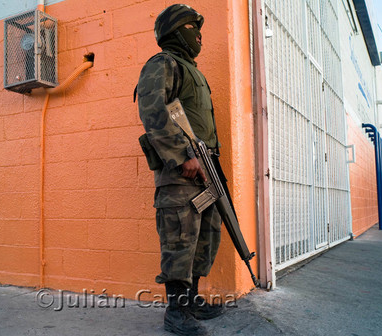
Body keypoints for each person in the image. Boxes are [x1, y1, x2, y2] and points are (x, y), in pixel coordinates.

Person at [136, 4, 225, 336]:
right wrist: (182, 155)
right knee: (180, 238)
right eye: (192, 26)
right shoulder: (163, 64)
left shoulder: (194, 71)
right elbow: (153, 110)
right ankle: (176, 313)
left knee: (204, 236)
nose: (199, 33)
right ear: (175, 32)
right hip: (181, 174)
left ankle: (192, 302)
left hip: (205, 172)